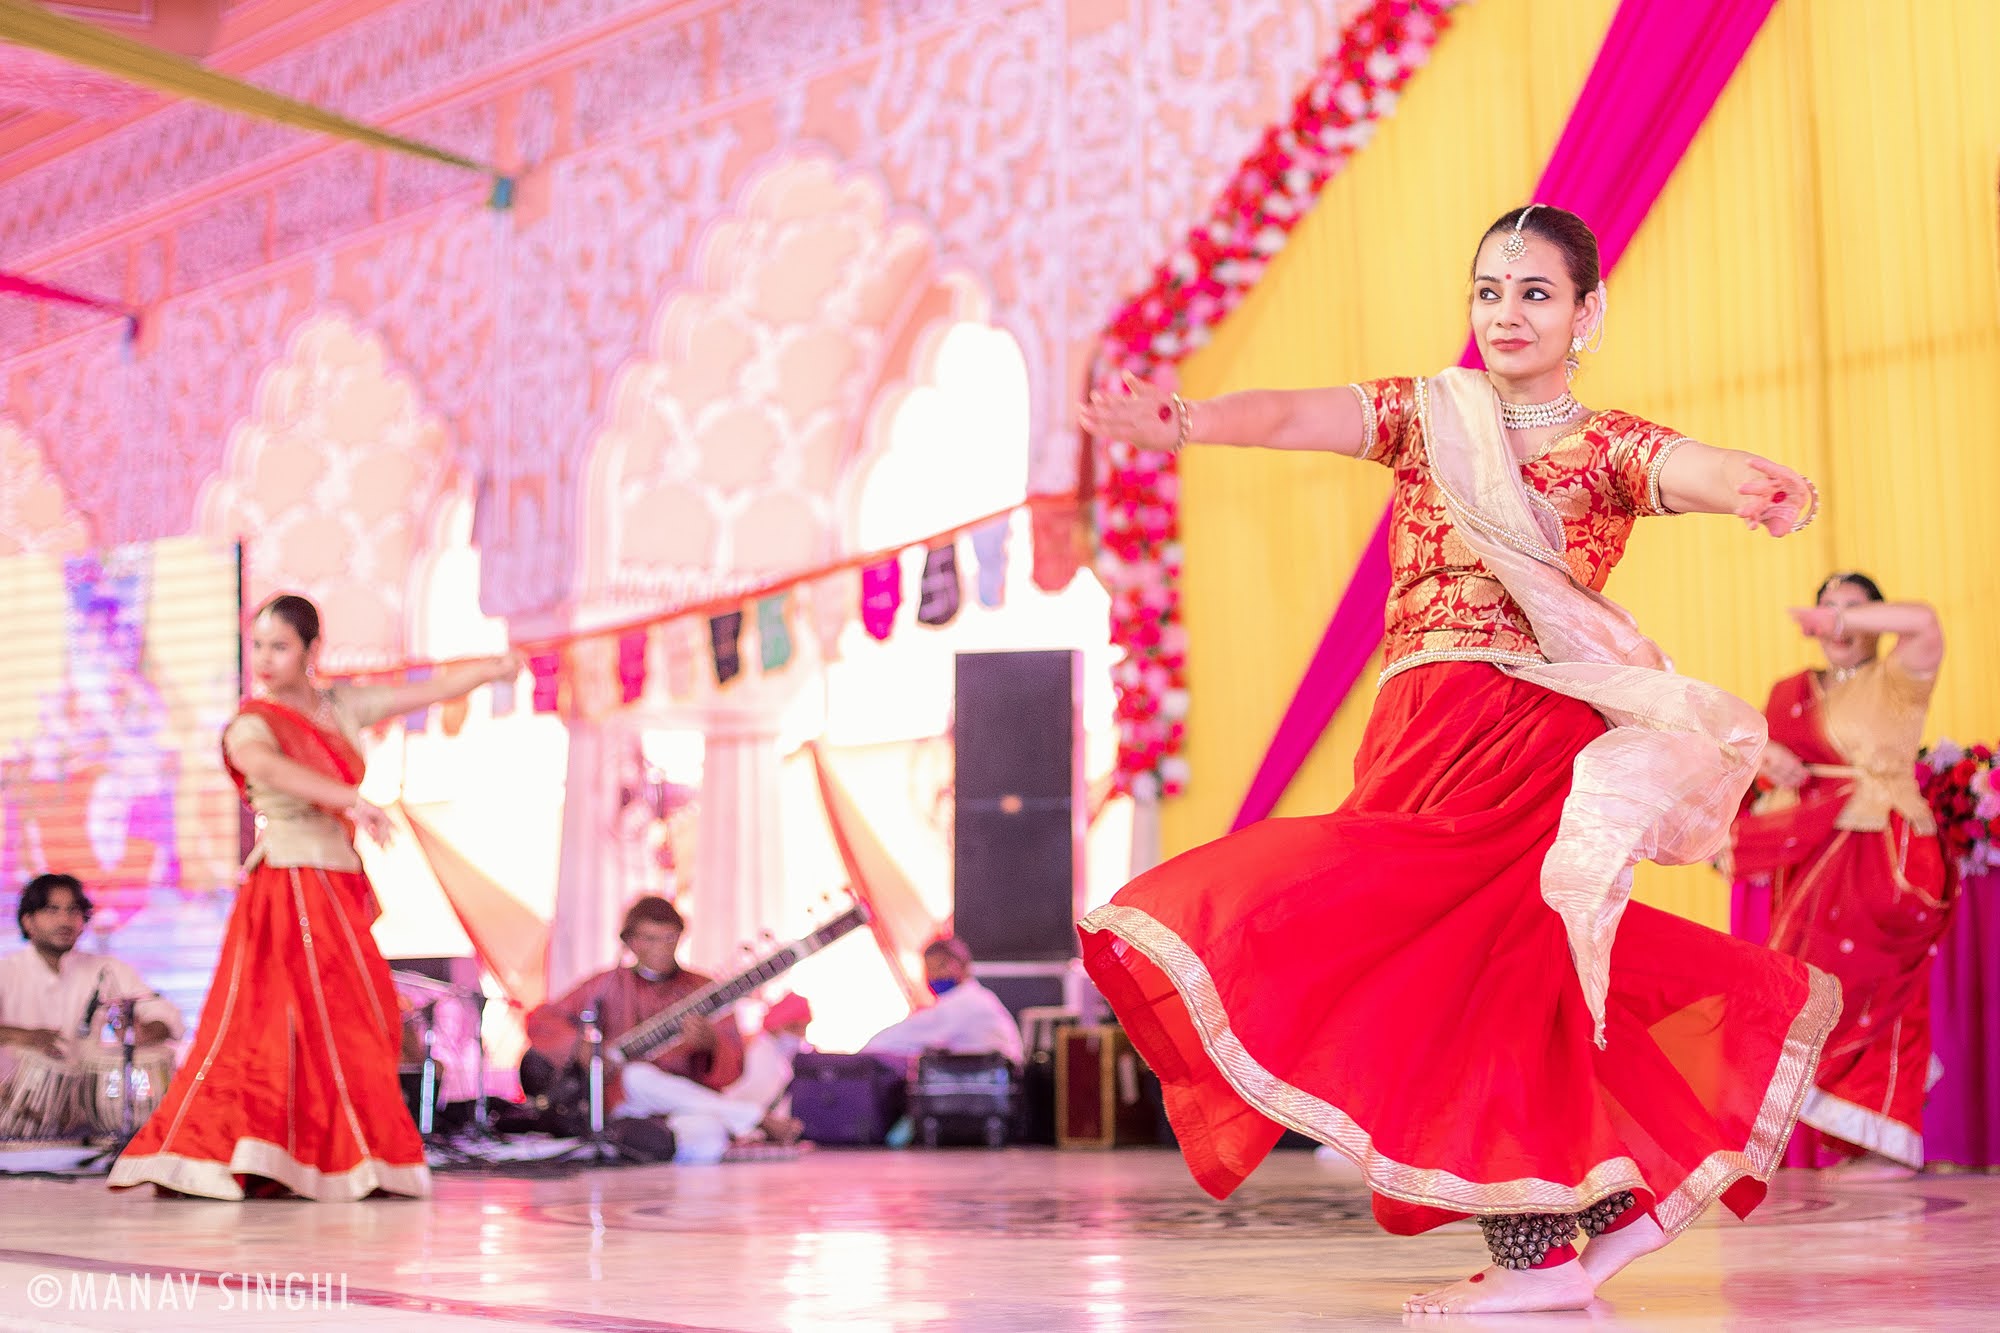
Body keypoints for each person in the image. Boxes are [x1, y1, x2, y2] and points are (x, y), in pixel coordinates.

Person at [1075, 205, 1841, 1316]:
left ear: (1587, 312)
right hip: (1413, 729)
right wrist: (1182, 418)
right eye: (1488, 290)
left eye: (1534, 291)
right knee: (1490, 973)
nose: (1505, 313)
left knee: (1480, 972)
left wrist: (1754, 486)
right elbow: (1298, 412)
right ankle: (1608, 1210)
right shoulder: (1432, 415)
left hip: (1525, 728)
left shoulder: (1603, 444)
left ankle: (1536, 1260)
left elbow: (1690, 468)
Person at [107, 593, 517, 1200]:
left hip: (336, 882)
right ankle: (257, 1151)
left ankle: (338, 1156)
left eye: (281, 646)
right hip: (288, 885)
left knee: (359, 1020)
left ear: (310, 650)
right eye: (259, 646)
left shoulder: (338, 707)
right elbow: (267, 769)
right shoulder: (255, 722)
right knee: (276, 1025)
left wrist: (493, 669)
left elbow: (419, 691)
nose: (266, 659)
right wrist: (348, 799)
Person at [1729, 573, 1950, 1178]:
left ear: (1878, 621)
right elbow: (1768, 772)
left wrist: (1845, 619)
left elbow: (1925, 620)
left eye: (1853, 612)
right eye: (1827, 609)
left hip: (1887, 854)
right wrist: (1768, 759)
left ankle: (1888, 1136)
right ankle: (1857, 1136)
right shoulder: (1794, 691)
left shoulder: (1899, 676)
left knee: (1879, 990)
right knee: (1810, 989)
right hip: (1814, 857)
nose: (1835, 623)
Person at [523, 896, 800, 1164]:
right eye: (649, 939)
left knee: (708, 1141)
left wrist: (710, 1046)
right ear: (631, 942)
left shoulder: (703, 988)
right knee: (636, 1075)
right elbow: (541, 1020)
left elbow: (732, 1068)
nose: (661, 948)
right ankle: (755, 1117)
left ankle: (652, 1169)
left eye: (669, 938)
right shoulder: (607, 984)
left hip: (686, 1102)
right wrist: (581, 1047)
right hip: (625, 1098)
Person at [0, 874, 184, 1137]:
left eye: (73, 910)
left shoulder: (104, 971)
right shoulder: (6, 971)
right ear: (28, 921)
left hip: (84, 1123)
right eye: (52, 910)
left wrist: (145, 1031)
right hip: (12, 1116)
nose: (65, 920)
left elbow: (166, 1014)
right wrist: (25, 1036)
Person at [861, 937, 1024, 1065]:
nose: (935, 975)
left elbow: (896, 1039)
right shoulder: (977, 999)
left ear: (961, 965)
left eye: (941, 966)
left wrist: (855, 1060)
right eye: (929, 970)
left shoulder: (966, 1003)